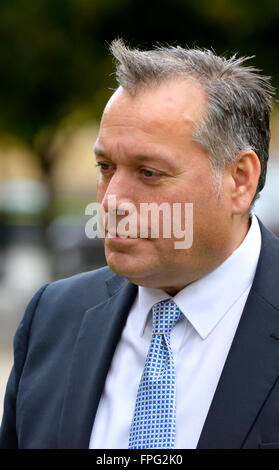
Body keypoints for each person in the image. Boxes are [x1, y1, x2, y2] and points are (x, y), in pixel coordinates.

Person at [1, 38, 279, 450]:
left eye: (148, 172)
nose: (111, 201)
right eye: (105, 167)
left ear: (240, 179)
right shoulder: (52, 317)